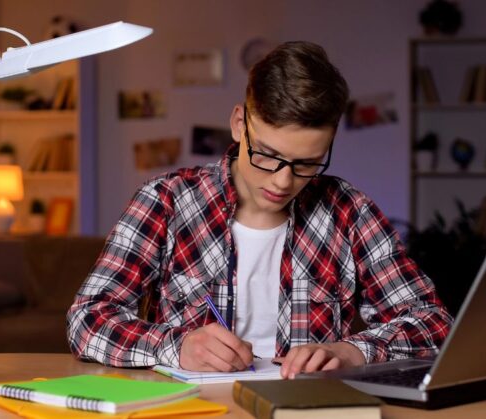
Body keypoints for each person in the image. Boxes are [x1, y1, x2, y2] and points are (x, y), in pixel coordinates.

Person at [67, 41, 452, 379]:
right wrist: (174, 346)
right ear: (239, 124)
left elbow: (434, 324)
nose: (283, 182)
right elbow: (87, 319)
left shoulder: (350, 212)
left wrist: (354, 351)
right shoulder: (165, 201)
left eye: (307, 163)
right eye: (268, 155)